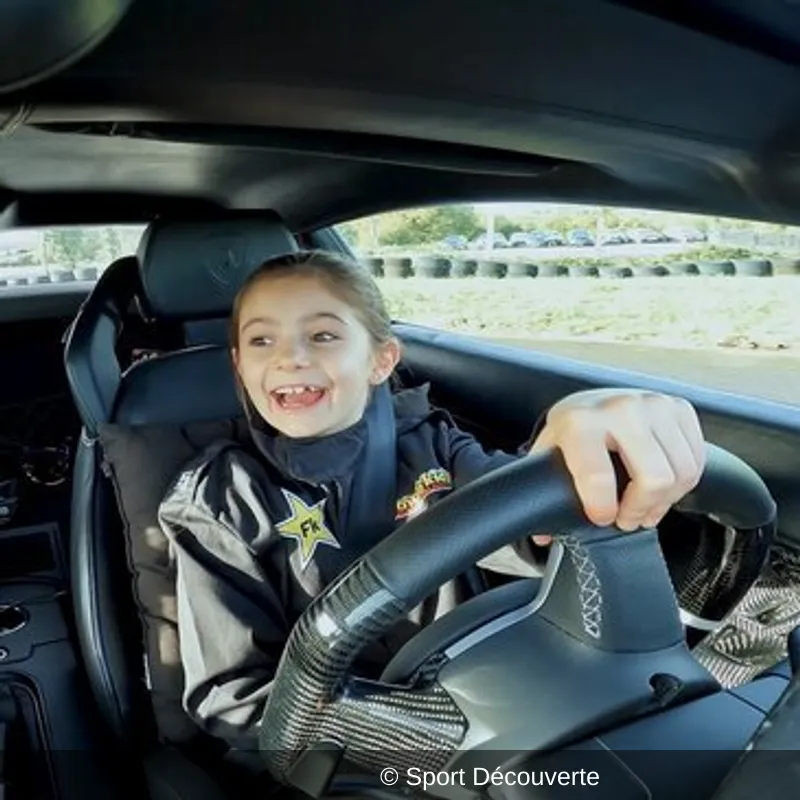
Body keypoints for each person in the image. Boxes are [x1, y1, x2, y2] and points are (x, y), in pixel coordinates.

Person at [157, 250, 706, 758]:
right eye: (261, 342)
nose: (290, 358)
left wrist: (588, 438)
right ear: (239, 368)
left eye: (322, 335)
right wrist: (426, 737)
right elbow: (230, 698)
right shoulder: (218, 501)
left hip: (492, 704)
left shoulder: (435, 445)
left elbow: (536, 528)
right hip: (333, 758)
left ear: (380, 360)